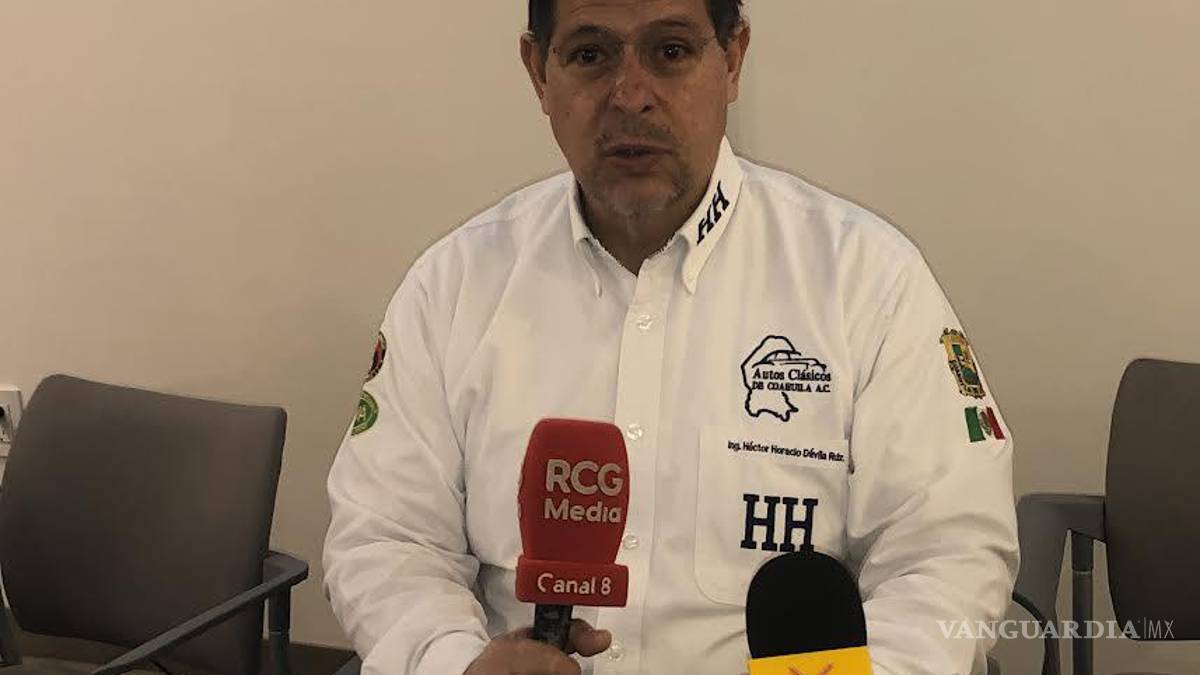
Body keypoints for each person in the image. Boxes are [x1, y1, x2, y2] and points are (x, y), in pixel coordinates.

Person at [323, 1, 1019, 673]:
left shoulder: (867, 281)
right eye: (591, 55)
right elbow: (388, 537)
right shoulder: (453, 287)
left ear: (733, 58)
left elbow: (944, 552)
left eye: (672, 51)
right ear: (539, 73)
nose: (631, 96)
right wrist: (456, 664)